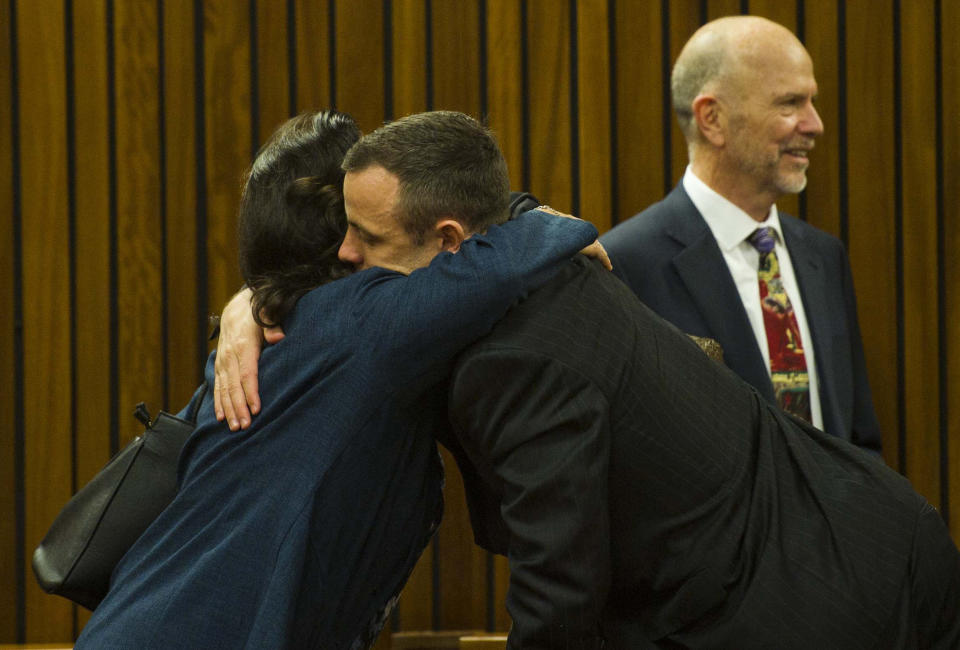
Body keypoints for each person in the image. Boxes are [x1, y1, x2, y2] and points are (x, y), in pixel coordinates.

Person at [218, 110, 960, 648]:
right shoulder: (524, 261)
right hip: (839, 542)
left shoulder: (509, 362)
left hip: (832, 594)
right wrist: (250, 304)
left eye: (366, 239)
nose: (346, 255)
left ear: (450, 244)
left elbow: (559, 598)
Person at [74, 110, 599, 649]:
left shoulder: (290, 326)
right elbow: (496, 260)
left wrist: (244, 301)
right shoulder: (360, 322)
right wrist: (540, 220)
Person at [600, 15, 881, 453]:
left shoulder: (823, 256)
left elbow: (860, 440)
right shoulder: (626, 265)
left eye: (813, 101)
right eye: (790, 103)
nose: (815, 125)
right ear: (712, 119)